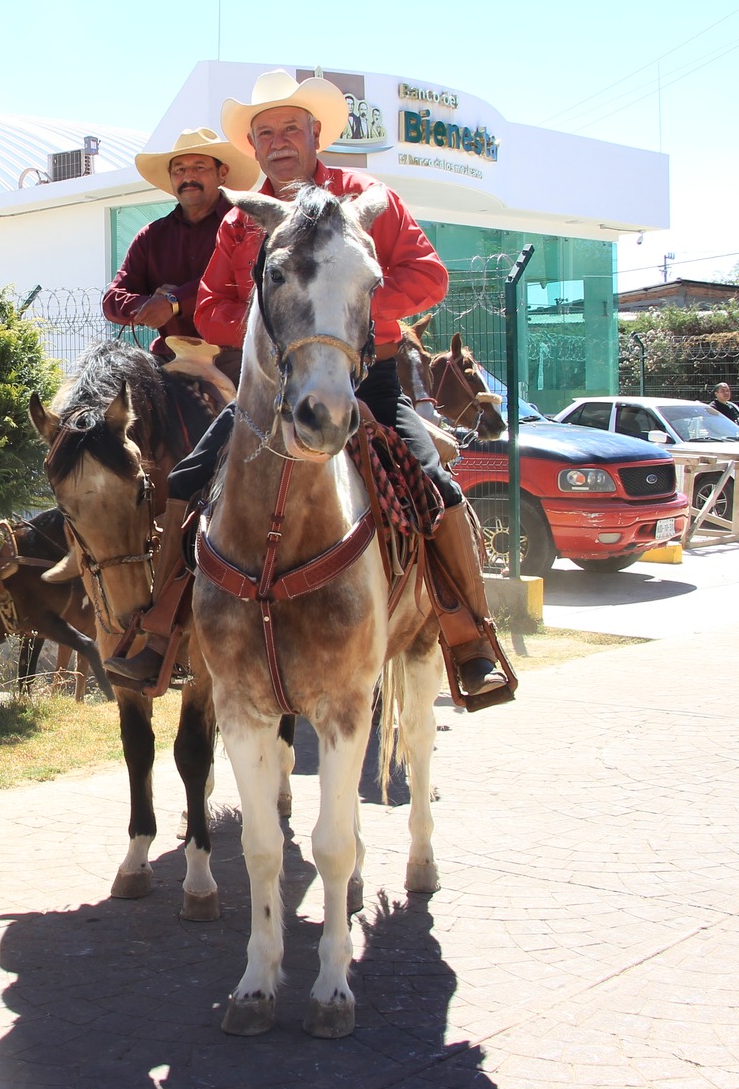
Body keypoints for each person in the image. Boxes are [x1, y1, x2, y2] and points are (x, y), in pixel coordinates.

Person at [114, 70, 508, 704]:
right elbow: (213, 305)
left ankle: (470, 638)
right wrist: (276, 324)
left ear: (316, 134)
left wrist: (345, 317)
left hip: (364, 380)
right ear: (254, 143)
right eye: (264, 132)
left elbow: (428, 277)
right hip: (267, 393)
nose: (278, 142)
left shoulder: (368, 197)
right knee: (187, 481)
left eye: (290, 129)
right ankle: (160, 631)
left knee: (434, 482)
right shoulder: (242, 218)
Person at [102, 127, 258, 373]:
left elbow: (244, 289)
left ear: (222, 173)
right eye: (180, 170)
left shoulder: (246, 227)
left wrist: (174, 303)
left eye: (199, 167)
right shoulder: (151, 236)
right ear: (171, 177)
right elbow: (112, 300)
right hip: (168, 359)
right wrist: (149, 304)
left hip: (233, 357)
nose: (188, 177)